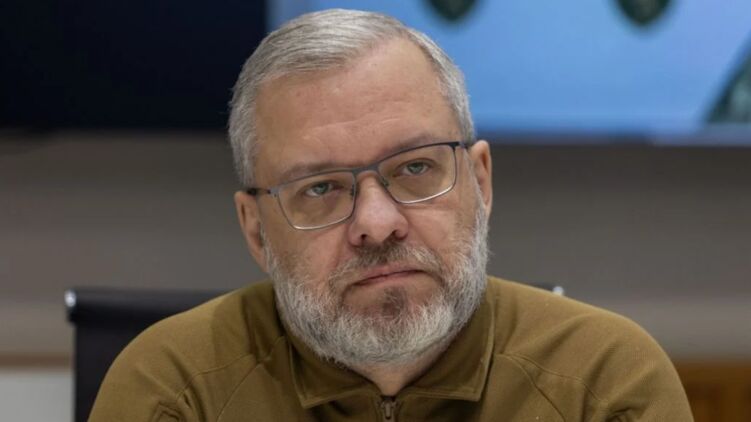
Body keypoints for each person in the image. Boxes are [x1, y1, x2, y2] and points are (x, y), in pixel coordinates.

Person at [90, 9, 693, 421]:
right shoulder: (174, 391)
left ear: (480, 182)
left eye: (415, 168)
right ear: (256, 230)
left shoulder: (605, 385)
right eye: (320, 187)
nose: (377, 225)